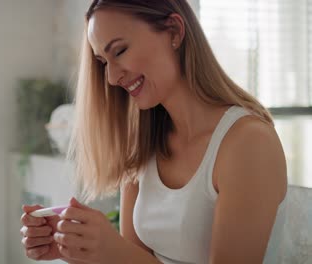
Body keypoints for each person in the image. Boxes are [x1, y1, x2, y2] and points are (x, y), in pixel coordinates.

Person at [20, 0, 288, 263]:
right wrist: (77, 249)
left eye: (120, 50)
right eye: (103, 62)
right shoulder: (144, 145)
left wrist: (114, 252)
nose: (112, 78)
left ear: (174, 31)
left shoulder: (249, 143)